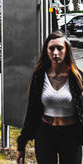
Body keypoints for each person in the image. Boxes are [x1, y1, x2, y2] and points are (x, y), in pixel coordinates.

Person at [16, 31, 83, 164]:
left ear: (67, 50)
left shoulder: (77, 77)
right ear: (46, 51)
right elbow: (32, 111)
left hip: (71, 135)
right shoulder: (39, 76)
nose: (55, 53)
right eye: (51, 48)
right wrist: (21, 145)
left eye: (60, 48)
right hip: (45, 134)